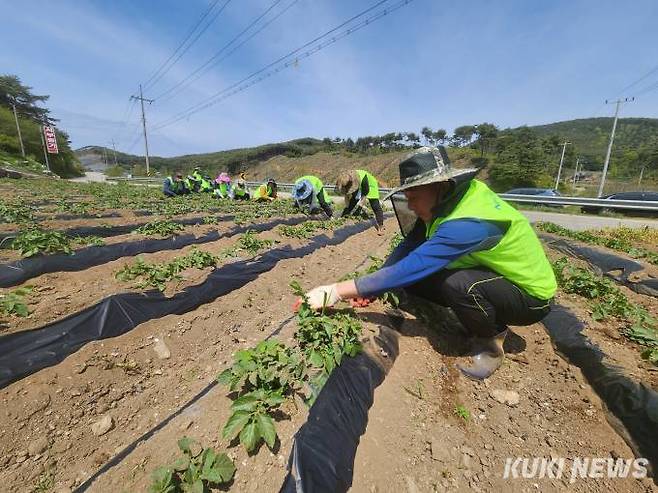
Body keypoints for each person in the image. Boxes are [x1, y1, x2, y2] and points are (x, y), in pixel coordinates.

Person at [300, 147, 556, 380]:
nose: (409, 204)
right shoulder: (446, 201)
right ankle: (469, 312)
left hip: (531, 298)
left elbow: (415, 264)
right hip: (496, 277)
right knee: (414, 280)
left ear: (439, 186)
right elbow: (409, 247)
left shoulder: (468, 221)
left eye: (413, 195)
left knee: (458, 284)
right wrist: (374, 286)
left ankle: (490, 344)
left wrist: (336, 290)